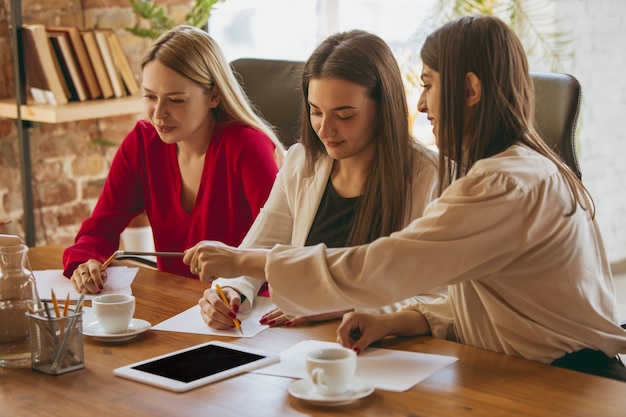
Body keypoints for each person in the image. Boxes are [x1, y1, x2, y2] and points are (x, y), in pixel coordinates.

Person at [184, 16, 626, 381]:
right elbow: (485, 306)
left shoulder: (502, 184)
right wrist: (398, 320)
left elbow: (385, 265)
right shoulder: (513, 169)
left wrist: (247, 262)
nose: (421, 105)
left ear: (469, 91)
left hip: (570, 382)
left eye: (429, 85)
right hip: (516, 369)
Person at [199, 29, 446, 330]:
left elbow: (442, 300)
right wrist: (228, 292)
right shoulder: (301, 162)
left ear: (383, 108)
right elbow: (254, 251)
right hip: (301, 347)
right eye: (316, 112)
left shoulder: (432, 178)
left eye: (344, 116)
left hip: (391, 353)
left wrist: (346, 306)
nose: (325, 130)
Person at [63, 25, 283, 294]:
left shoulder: (248, 147)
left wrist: (238, 296)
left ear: (214, 95)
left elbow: (281, 253)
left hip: (245, 312)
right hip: (175, 308)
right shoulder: (143, 144)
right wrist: (87, 261)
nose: (158, 114)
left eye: (176, 100)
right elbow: (98, 230)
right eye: (150, 97)